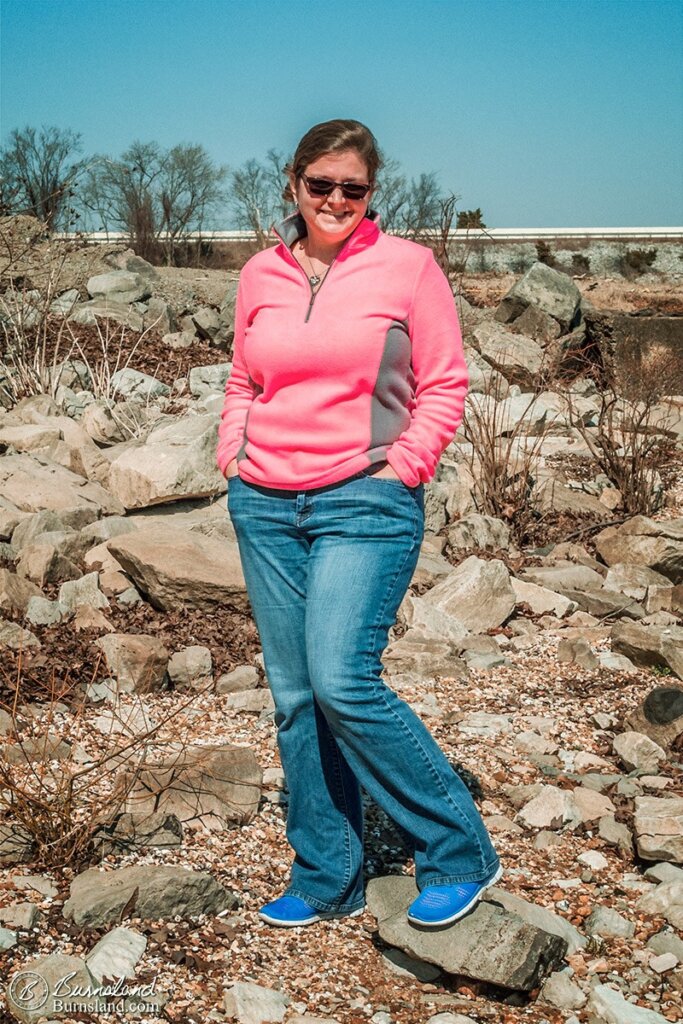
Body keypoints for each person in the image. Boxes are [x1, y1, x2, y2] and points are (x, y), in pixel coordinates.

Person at [216, 118, 500, 929]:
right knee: (296, 697)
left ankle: (457, 853)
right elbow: (243, 376)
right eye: (321, 185)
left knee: (344, 681)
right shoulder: (258, 273)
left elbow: (444, 382)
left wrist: (403, 466)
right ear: (293, 185)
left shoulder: (407, 267)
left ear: (371, 193)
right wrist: (231, 447)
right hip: (264, 504)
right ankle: (326, 874)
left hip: (363, 500)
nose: (336, 199)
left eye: (354, 188)